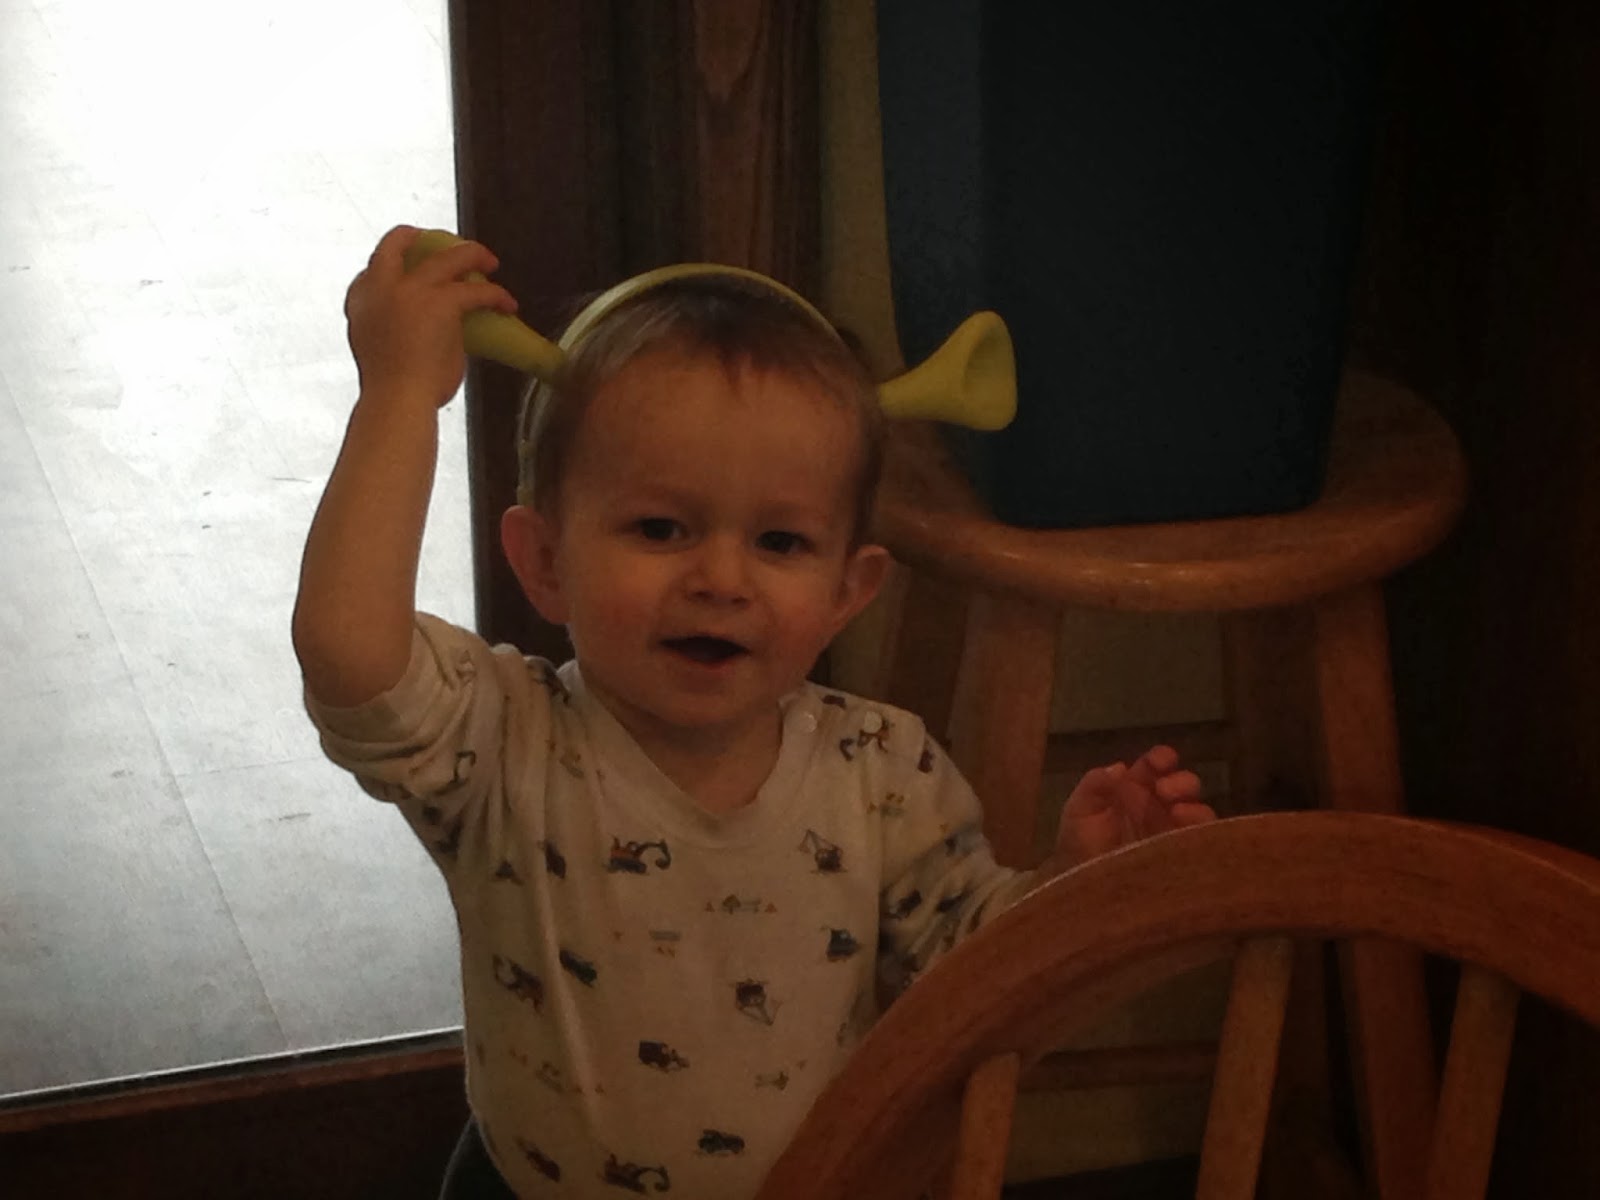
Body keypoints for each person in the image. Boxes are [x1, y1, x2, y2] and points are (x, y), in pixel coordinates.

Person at [293, 226, 1214, 1199]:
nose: (722, 579)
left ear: (848, 592)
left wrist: (1078, 886)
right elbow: (352, 658)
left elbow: (972, 981)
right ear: (546, 562)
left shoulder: (883, 770)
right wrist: (398, 396)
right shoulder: (499, 741)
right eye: (661, 527)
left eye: (780, 542)